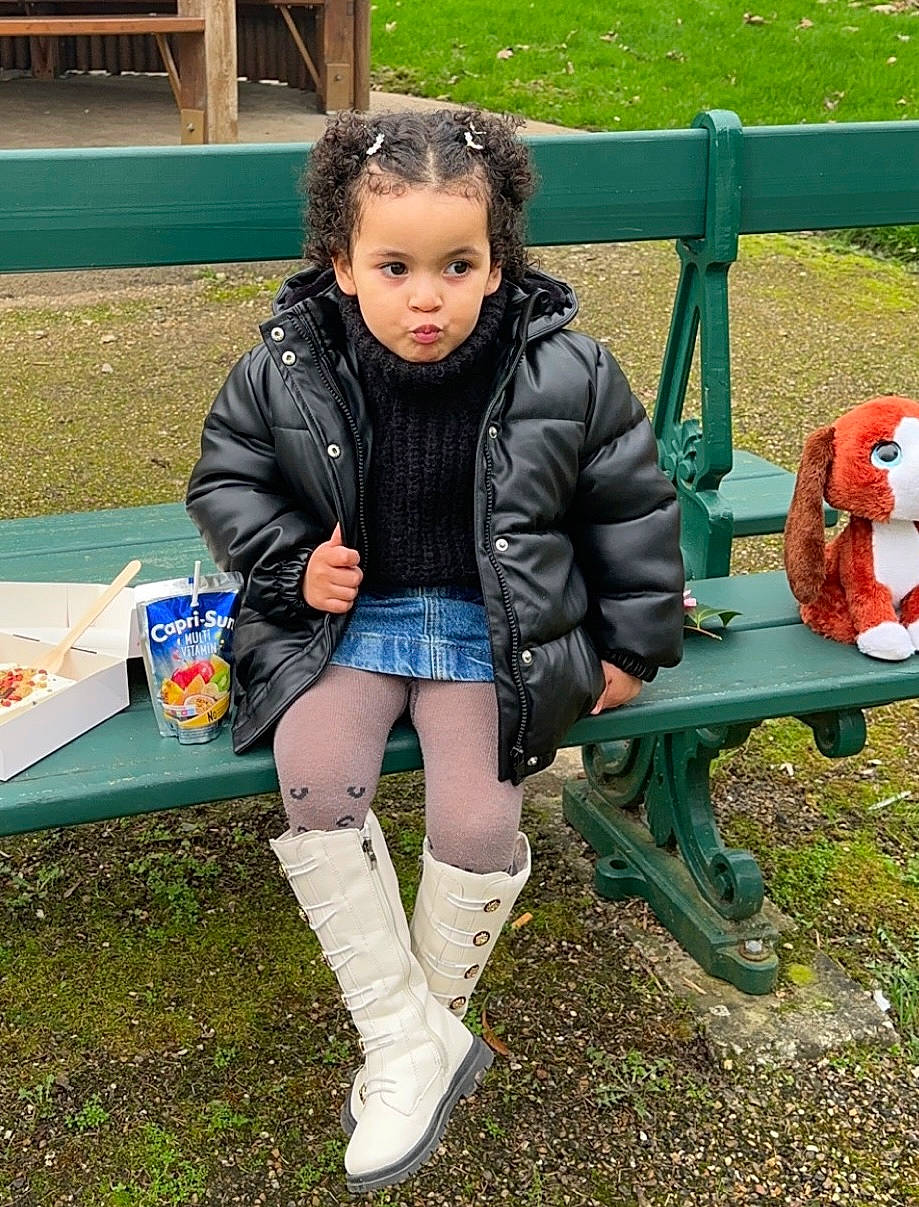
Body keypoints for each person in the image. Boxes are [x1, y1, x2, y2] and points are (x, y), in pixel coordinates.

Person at [186, 107, 684, 1194]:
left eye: (458, 265)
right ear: (340, 262)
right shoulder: (289, 362)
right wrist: (288, 563)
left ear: (497, 260)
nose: (427, 296)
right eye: (394, 266)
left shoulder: (567, 368)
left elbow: (632, 510)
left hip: (487, 629)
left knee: (476, 821)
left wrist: (635, 640)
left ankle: (408, 1047)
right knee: (313, 781)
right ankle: (411, 1045)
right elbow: (226, 478)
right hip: (345, 624)